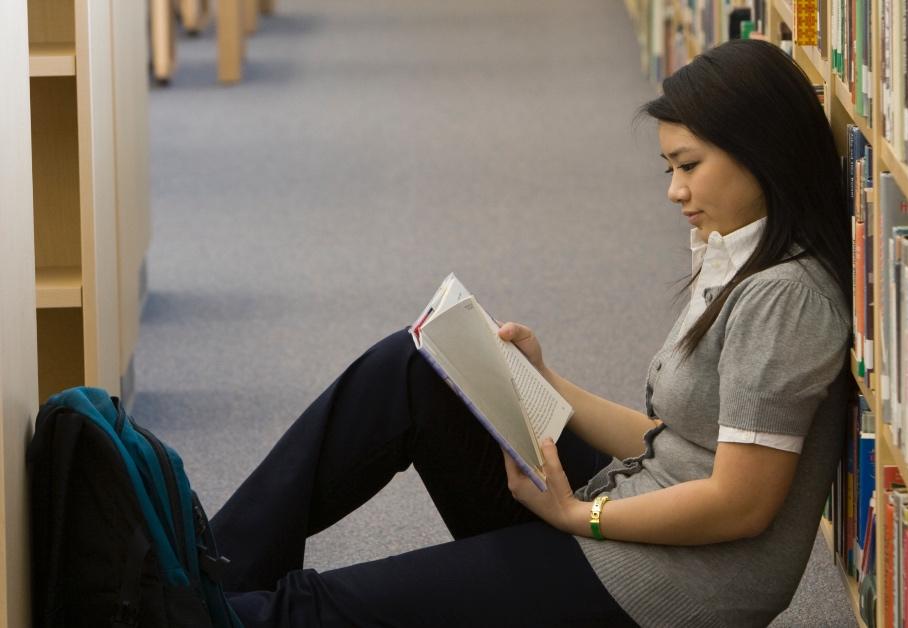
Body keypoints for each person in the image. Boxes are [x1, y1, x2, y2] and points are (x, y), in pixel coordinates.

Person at [212, 38, 851, 627]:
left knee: (310, 608)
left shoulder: (784, 298)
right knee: (414, 367)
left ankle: (186, 607)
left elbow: (740, 504)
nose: (675, 192)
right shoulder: (743, 255)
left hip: (669, 581)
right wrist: (542, 383)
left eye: (688, 165)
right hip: (635, 503)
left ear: (760, 151)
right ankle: (197, 574)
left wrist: (581, 516)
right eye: (668, 170)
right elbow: (683, 439)